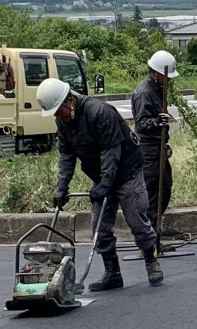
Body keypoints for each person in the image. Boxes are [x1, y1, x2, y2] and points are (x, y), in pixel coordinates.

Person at [42, 77, 162, 289]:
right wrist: (62, 187)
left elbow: (111, 151)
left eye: (58, 110)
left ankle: (151, 261)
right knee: (100, 227)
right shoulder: (63, 122)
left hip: (127, 170)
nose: (57, 116)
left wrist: (106, 184)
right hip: (101, 176)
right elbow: (67, 155)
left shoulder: (98, 112)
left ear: (69, 101)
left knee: (137, 221)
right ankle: (112, 272)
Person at [133, 50, 178, 245]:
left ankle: (155, 237)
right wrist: (156, 123)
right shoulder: (144, 92)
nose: (169, 80)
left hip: (159, 148)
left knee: (164, 190)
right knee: (152, 196)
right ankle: (150, 243)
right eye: (166, 76)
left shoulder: (157, 88)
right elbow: (141, 124)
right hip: (149, 150)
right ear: (155, 72)